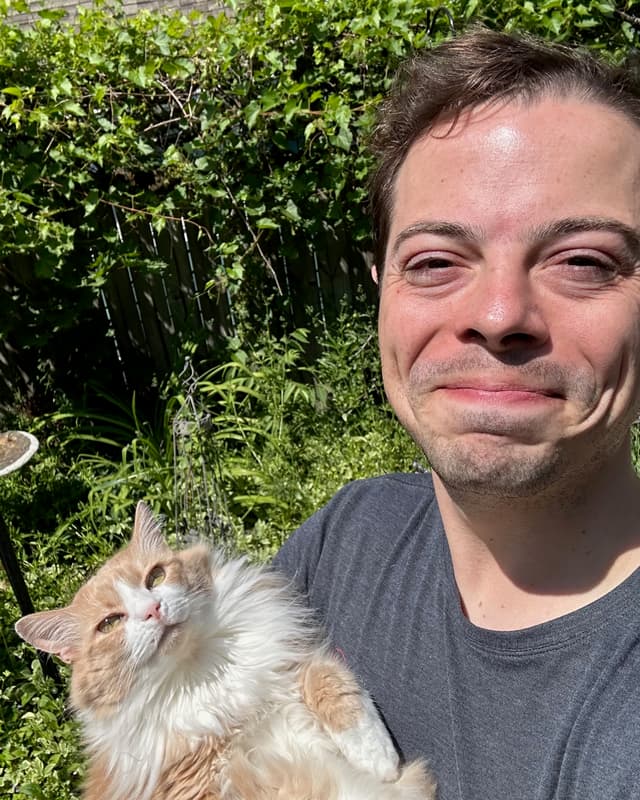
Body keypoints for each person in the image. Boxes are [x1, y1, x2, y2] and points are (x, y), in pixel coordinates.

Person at [273, 27, 640, 800]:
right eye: (436, 261)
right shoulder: (347, 539)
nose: (500, 313)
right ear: (380, 290)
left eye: (583, 261)